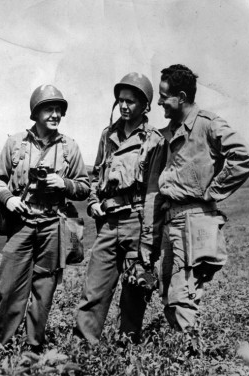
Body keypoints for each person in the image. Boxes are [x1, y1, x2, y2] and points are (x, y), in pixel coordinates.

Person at [151, 64, 249, 331]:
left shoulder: (208, 124)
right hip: (172, 220)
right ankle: (183, 360)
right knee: (170, 293)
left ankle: (189, 360)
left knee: (182, 295)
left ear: (182, 97)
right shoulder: (170, 130)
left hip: (194, 221)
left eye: (164, 96)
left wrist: (214, 190)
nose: (159, 101)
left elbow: (243, 156)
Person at [0, 84, 90, 351]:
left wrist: (65, 184)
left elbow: (85, 186)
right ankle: (3, 345)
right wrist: (8, 199)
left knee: (44, 289)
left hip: (53, 225)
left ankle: (34, 347)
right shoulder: (15, 143)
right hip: (21, 223)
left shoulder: (70, 147)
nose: (55, 114)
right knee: (9, 286)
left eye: (59, 110)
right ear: (36, 112)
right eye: (49, 109)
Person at [75, 73, 167, 345]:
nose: (124, 106)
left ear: (145, 105)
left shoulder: (155, 140)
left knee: (135, 290)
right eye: (120, 101)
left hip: (137, 222)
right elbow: (95, 177)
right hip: (108, 224)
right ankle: (83, 350)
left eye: (131, 101)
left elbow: (153, 193)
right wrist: (92, 202)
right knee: (93, 291)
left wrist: (149, 242)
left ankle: (128, 350)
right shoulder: (108, 135)